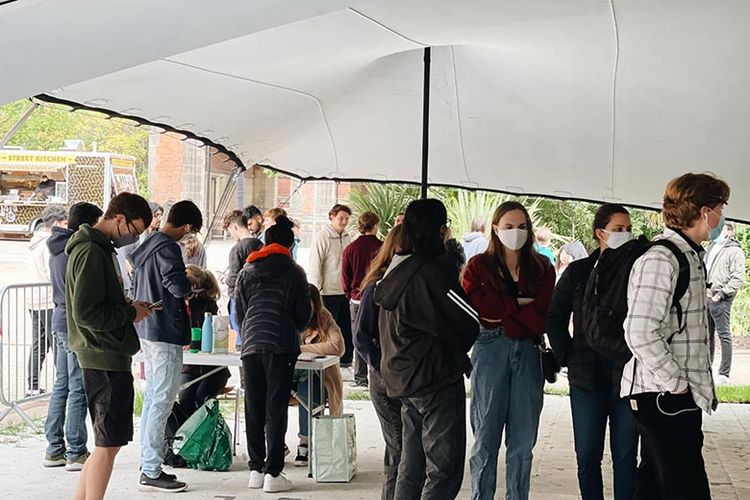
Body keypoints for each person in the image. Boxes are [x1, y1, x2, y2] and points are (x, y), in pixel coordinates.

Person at [622, 173, 729, 500]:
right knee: (687, 489)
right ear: (703, 211)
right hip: (663, 396)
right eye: (720, 207)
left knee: (655, 486)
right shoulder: (663, 257)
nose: (722, 215)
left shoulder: (690, 255)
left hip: (672, 396)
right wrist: (676, 383)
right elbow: (639, 331)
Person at [374, 198, 479, 500]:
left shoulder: (397, 268)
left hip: (402, 380)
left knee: (412, 465)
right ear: (440, 230)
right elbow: (468, 321)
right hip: (435, 380)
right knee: (443, 472)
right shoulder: (432, 273)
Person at [461, 201, 555, 500]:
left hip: (528, 350)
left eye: (522, 226)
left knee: (522, 442)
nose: (516, 232)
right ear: (495, 229)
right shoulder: (478, 266)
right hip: (490, 349)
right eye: (509, 226)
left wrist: (502, 308)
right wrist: (518, 304)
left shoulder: (542, 268)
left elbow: (543, 313)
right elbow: (477, 308)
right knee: (485, 438)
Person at [66, 192, 154, 500]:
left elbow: (97, 303)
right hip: (102, 355)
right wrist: (130, 313)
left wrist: (129, 306)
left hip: (108, 354)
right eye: (133, 230)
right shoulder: (91, 251)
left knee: (108, 442)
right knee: (107, 444)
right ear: (118, 218)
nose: (133, 237)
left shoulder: (99, 249)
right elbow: (86, 312)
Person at [547, 204, 638, 500]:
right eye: (618, 229)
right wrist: (566, 356)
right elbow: (555, 316)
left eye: (628, 229)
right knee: (587, 456)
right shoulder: (578, 271)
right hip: (586, 375)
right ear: (600, 233)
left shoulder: (638, 270)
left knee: (625, 455)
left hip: (626, 377)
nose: (625, 234)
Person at [235, 216, 312, 493]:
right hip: (281, 344)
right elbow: (303, 314)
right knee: (275, 407)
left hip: (251, 343)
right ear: (290, 245)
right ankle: (273, 473)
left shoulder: (247, 270)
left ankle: (255, 469)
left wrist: (249, 333)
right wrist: (294, 326)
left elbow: (239, 312)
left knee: (253, 405)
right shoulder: (295, 272)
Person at [129, 200, 202, 492]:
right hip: (166, 330)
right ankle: (150, 469)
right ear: (186, 226)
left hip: (147, 327)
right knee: (162, 400)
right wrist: (189, 282)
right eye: (190, 231)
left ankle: (148, 460)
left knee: (153, 400)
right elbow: (176, 286)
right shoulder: (169, 248)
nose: (189, 236)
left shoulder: (147, 243)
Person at [43, 202, 103, 472]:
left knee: (62, 386)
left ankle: (54, 449)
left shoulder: (56, 248)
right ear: (87, 225)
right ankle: (76, 451)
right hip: (72, 324)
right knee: (77, 388)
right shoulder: (77, 249)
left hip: (58, 319)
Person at [353, 224, 404, 500]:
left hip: (406, 378)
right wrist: (379, 365)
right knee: (398, 449)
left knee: (402, 448)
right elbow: (360, 336)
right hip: (385, 379)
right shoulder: (377, 287)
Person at [163, 265, 230, 469]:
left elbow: (198, 330)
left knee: (202, 397)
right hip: (189, 367)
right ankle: (185, 446)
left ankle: (207, 444)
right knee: (185, 399)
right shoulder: (177, 304)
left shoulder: (206, 305)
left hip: (212, 368)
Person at [293, 284, 345, 467]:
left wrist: (299, 349)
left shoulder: (324, 318)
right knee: (265, 388)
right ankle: (274, 442)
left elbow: (338, 347)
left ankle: (305, 443)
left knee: (311, 386)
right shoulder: (284, 315)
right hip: (286, 374)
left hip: (314, 373)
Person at [308, 204, 354, 380]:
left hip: (344, 292)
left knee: (346, 327)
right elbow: (315, 265)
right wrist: (316, 290)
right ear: (332, 217)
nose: (343, 222)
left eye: (346, 219)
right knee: (326, 329)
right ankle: (326, 361)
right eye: (340, 218)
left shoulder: (349, 237)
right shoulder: (322, 237)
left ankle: (346, 363)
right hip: (326, 292)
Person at [27, 205, 68, 396]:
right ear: (56, 224)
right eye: (65, 223)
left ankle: (33, 386)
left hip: (33, 300)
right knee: (57, 344)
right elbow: (52, 274)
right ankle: (62, 383)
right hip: (47, 301)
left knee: (39, 344)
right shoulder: (48, 245)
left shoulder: (34, 242)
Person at [342, 211, 382, 388]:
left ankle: (360, 377)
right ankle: (378, 372)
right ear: (375, 226)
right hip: (378, 296)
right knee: (378, 336)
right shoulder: (382, 247)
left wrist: (349, 292)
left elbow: (345, 275)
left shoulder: (351, 248)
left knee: (358, 335)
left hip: (357, 298)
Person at [705, 221, 746, 385]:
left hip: (720, 299)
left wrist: (721, 294)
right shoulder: (711, 246)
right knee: (707, 336)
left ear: (729, 231)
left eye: (720, 229)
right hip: (706, 296)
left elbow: (738, 278)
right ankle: (707, 368)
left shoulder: (735, 251)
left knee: (724, 335)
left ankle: (724, 374)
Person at [223, 210, 263, 350]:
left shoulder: (237, 249)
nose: (231, 235)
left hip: (239, 300)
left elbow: (234, 278)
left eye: (230, 231)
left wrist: (225, 280)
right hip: (258, 300)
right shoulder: (261, 245)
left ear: (235, 227)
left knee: (241, 342)